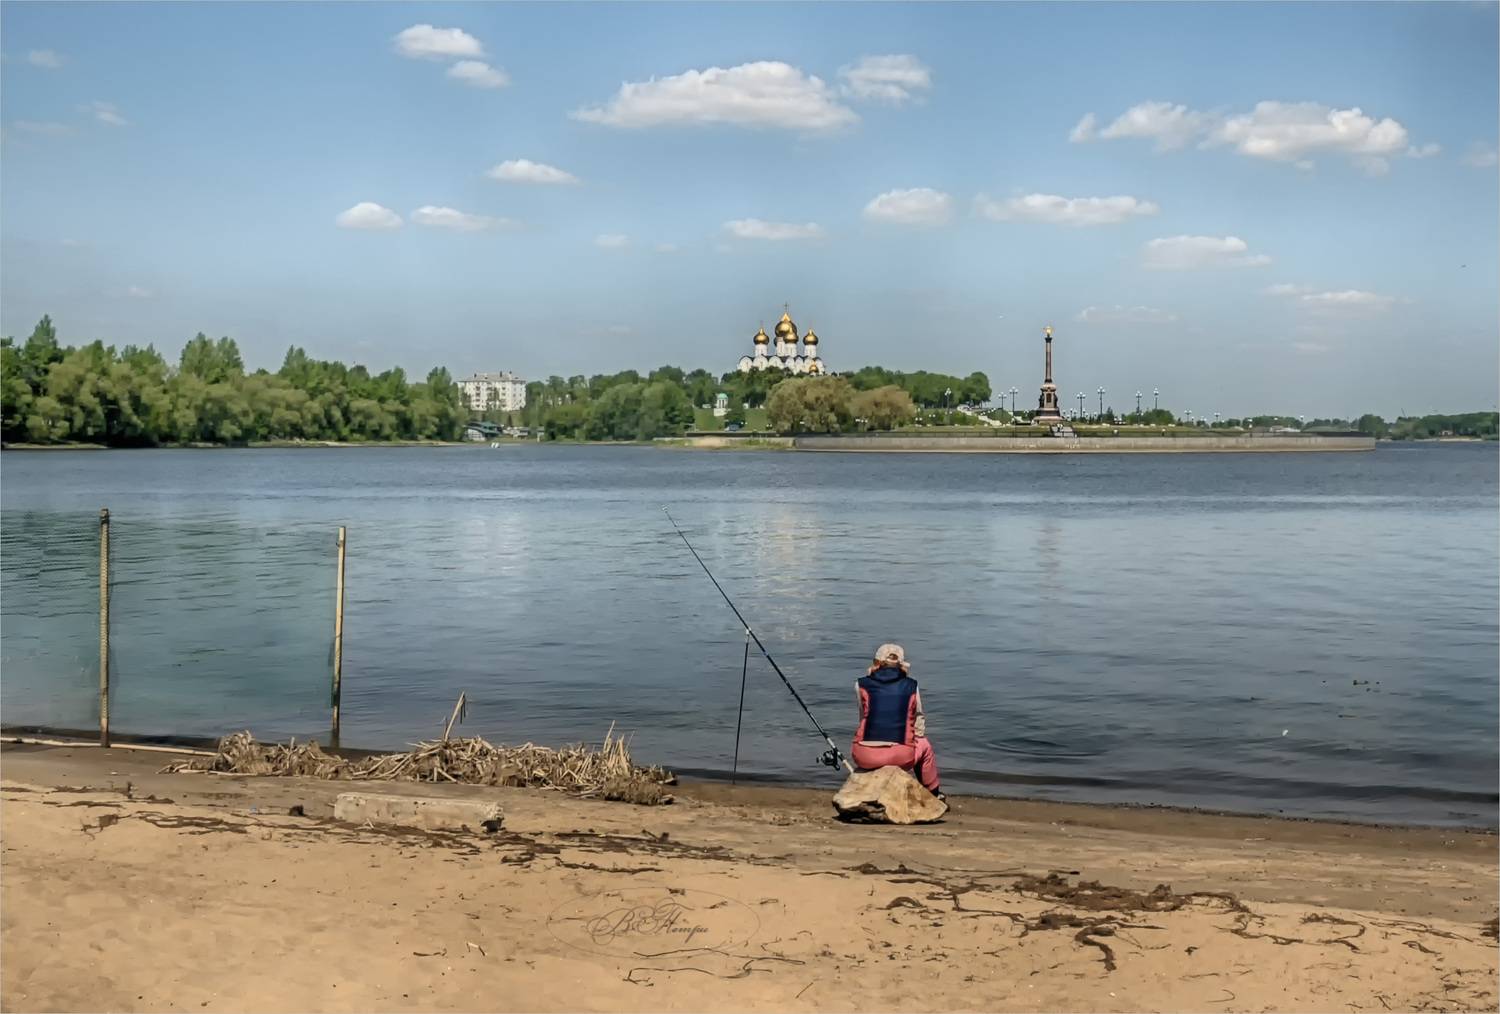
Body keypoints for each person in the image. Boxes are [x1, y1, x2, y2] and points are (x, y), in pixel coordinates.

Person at [850, 643, 943, 800]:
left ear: (876, 662)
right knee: (924, 745)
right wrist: (913, 736)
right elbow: (918, 720)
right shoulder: (912, 685)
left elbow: (863, 716)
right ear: (901, 665)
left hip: (864, 755)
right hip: (900, 757)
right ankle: (933, 793)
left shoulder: (860, 684)